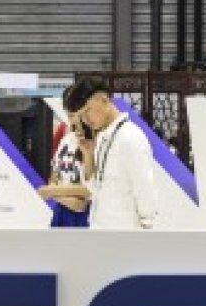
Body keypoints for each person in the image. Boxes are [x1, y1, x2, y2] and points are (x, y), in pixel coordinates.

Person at [63, 77, 158, 230]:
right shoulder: (103, 137)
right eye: (81, 116)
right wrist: (88, 155)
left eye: (87, 111)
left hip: (125, 234)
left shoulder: (130, 138)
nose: (86, 120)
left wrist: (146, 232)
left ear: (104, 100)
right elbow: (93, 188)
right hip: (102, 230)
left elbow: (145, 191)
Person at [37, 110, 92, 228]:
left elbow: (88, 192)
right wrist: (57, 194)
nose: (73, 119)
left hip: (87, 216)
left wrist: (52, 192)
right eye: (70, 115)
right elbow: (54, 177)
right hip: (61, 211)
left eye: (75, 114)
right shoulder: (66, 139)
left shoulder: (95, 142)